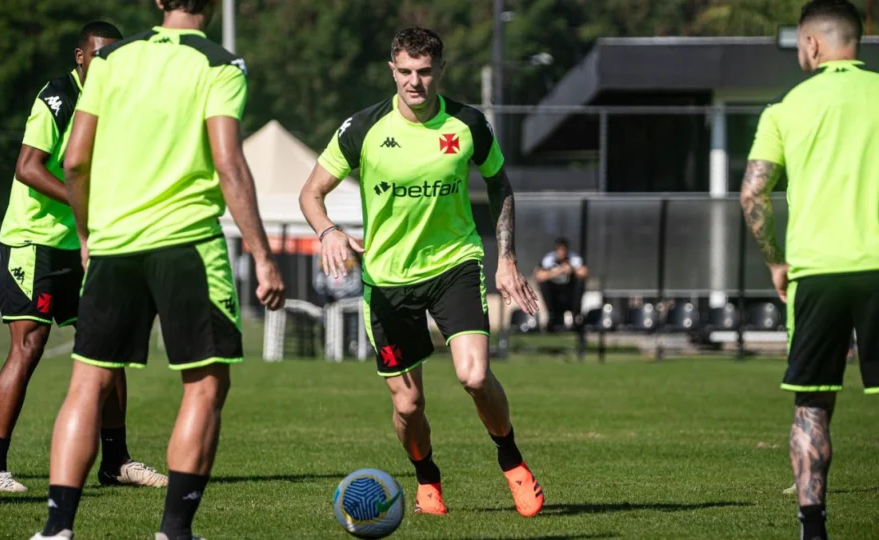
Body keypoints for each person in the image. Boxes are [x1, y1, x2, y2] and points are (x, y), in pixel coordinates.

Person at [30, 1, 285, 538]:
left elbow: (75, 160)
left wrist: (86, 234)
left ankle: (56, 529)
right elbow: (228, 161)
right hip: (187, 242)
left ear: (157, 2)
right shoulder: (219, 64)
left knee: (87, 382)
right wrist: (263, 255)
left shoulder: (112, 60)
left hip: (113, 243)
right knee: (204, 384)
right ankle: (173, 530)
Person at [299, 27, 544, 518]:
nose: (416, 82)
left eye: (425, 71)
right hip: (387, 281)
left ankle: (512, 460)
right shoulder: (362, 129)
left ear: (440, 71)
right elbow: (311, 193)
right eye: (406, 71)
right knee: (408, 406)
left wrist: (507, 258)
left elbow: (501, 185)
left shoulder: (468, 123)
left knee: (474, 377)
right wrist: (327, 231)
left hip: (453, 264)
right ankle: (427, 478)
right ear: (392, 70)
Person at [0, 21, 166, 493]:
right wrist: (84, 202)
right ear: (80, 56)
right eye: (99, 55)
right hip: (33, 240)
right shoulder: (58, 97)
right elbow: (27, 168)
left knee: (109, 352)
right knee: (28, 347)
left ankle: (116, 462)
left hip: (87, 243)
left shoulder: (118, 103)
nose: (107, 63)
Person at [740, 1, 879, 539]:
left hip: (816, 274)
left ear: (812, 45)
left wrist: (776, 260)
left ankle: (812, 527)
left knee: (813, 406)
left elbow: (753, 192)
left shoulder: (785, 109)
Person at [533, 237, 589, 332]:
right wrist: (556, 272)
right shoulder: (549, 259)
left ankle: (576, 316)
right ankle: (551, 316)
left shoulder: (574, 258)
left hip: (570, 295)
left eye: (564, 249)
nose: (562, 252)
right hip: (554, 295)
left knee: (580, 282)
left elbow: (585, 273)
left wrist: (572, 270)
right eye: (559, 249)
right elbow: (538, 276)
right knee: (544, 283)